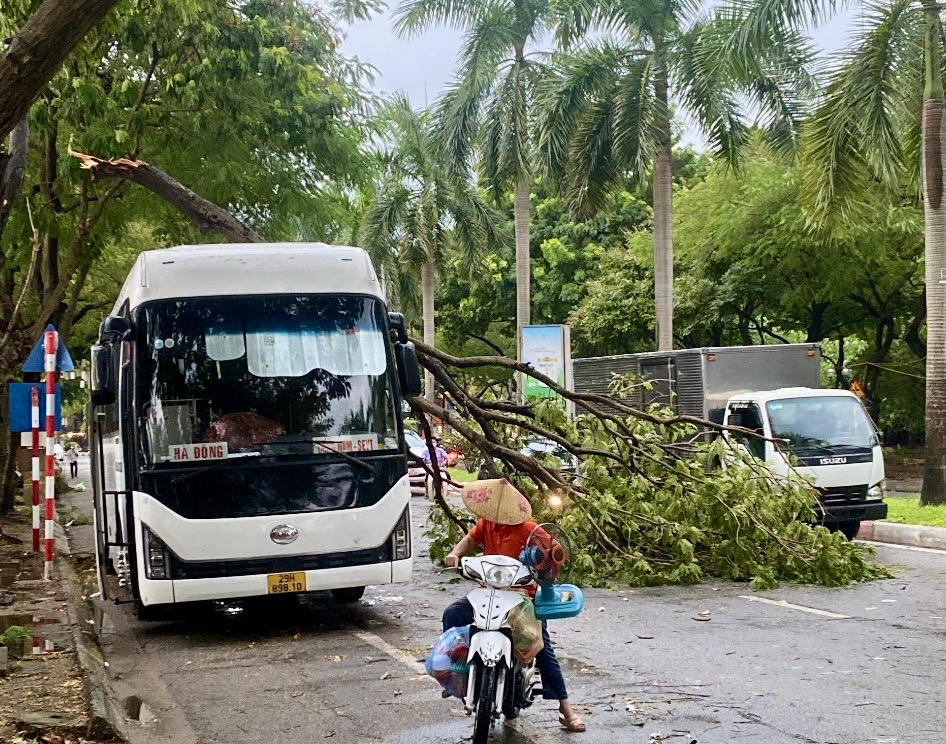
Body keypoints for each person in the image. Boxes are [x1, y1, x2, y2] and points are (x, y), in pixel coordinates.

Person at [442, 478, 586, 733]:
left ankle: (566, 709)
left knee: (541, 646)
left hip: (521, 596)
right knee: (452, 614)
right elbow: (469, 540)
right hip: (487, 591)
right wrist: (455, 554)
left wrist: (546, 561)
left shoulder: (529, 529)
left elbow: (552, 554)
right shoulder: (486, 523)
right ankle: (459, 674)